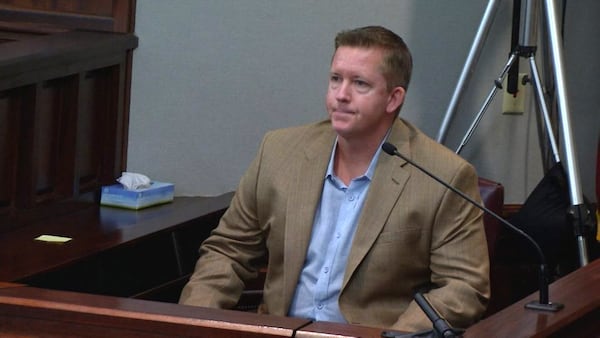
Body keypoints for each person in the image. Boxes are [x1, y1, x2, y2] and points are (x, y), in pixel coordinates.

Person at [179, 25, 490, 332]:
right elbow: (229, 250)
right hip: (279, 330)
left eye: (360, 84)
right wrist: (192, 325)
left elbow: (462, 288)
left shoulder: (443, 174)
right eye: (335, 79)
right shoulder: (278, 152)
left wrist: (396, 337)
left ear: (393, 99)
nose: (341, 95)